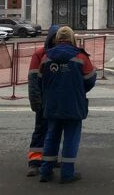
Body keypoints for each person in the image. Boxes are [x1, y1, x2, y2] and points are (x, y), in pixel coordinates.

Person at [31, 25, 96, 184]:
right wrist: (78, 90)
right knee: (71, 138)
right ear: (72, 38)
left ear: (57, 38)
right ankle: (67, 174)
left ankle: (46, 171)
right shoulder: (80, 57)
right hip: (73, 104)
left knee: (51, 136)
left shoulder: (46, 57)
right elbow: (90, 79)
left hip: (52, 104)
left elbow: (40, 80)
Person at [25, 24, 59, 177]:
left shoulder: (62, 54)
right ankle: (34, 162)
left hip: (57, 101)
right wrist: (35, 101)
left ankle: (50, 158)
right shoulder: (40, 55)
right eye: (56, 39)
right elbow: (33, 80)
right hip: (44, 101)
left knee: (55, 131)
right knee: (40, 130)